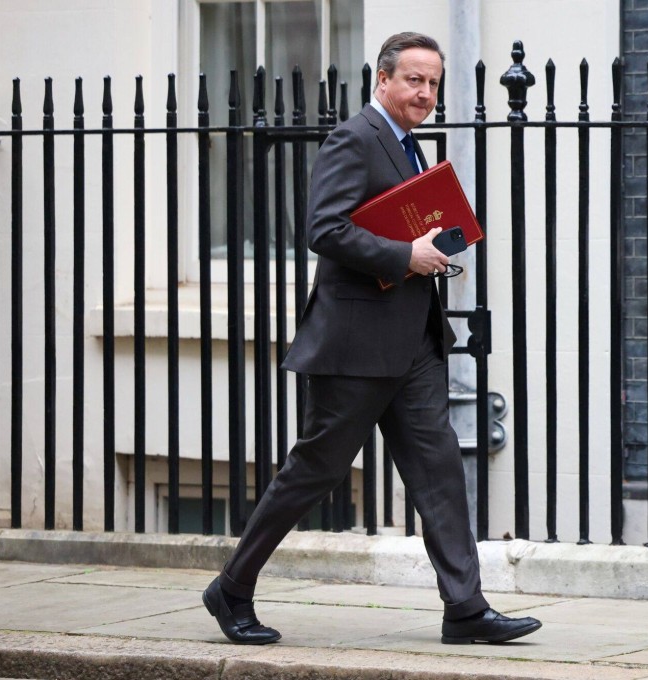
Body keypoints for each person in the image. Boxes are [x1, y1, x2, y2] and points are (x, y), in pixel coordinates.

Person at [203, 31, 542, 646]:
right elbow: (324, 229)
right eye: (414, 79)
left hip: (413, 342)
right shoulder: (354, 137)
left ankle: (465, 607)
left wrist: (431, 249)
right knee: (315, 470)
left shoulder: (410, 147)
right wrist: (402, 255)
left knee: (439, 473)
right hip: (356, 345)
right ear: (382, 80)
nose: (425, 92)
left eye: (433, 82)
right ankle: (231, 588)